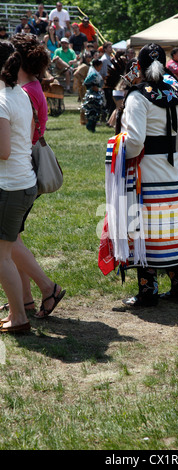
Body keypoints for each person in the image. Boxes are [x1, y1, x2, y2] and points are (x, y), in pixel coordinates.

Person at [104, 43, 178, 307]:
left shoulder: (137, 97)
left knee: (144, 230)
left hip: (146, 174)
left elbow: (137, 141)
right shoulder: (177, 90)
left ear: (138, 68)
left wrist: (117, 152)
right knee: (170, 229)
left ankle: (148, 291)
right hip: (172, 168)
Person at [5, 33, 66, 321]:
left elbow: (22, 138)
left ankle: (47, 288)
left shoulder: (24, 91)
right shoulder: (31, 86)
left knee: (10, 242)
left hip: (19, 174)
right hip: (23, 171)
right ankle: (25, 300)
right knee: (12, 240)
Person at [0, 41, 37, 333]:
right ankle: (23, 307)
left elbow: (3, 150)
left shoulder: (2, 100)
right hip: (22, 183)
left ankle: (19, 318)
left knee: (1, 256)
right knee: (8, 250)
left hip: (9, 187)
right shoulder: (20, 94)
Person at [82, 58, 105, 132]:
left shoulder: (95, 73)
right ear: (96, 66)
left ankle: (92, 126)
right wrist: (92, 87)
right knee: (92, 111)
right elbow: (85, 83)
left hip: (97, 94)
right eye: (100, 66)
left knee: (96, 111)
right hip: (93, 95)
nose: (101, 68)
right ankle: (90, 126)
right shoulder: (93, 73)